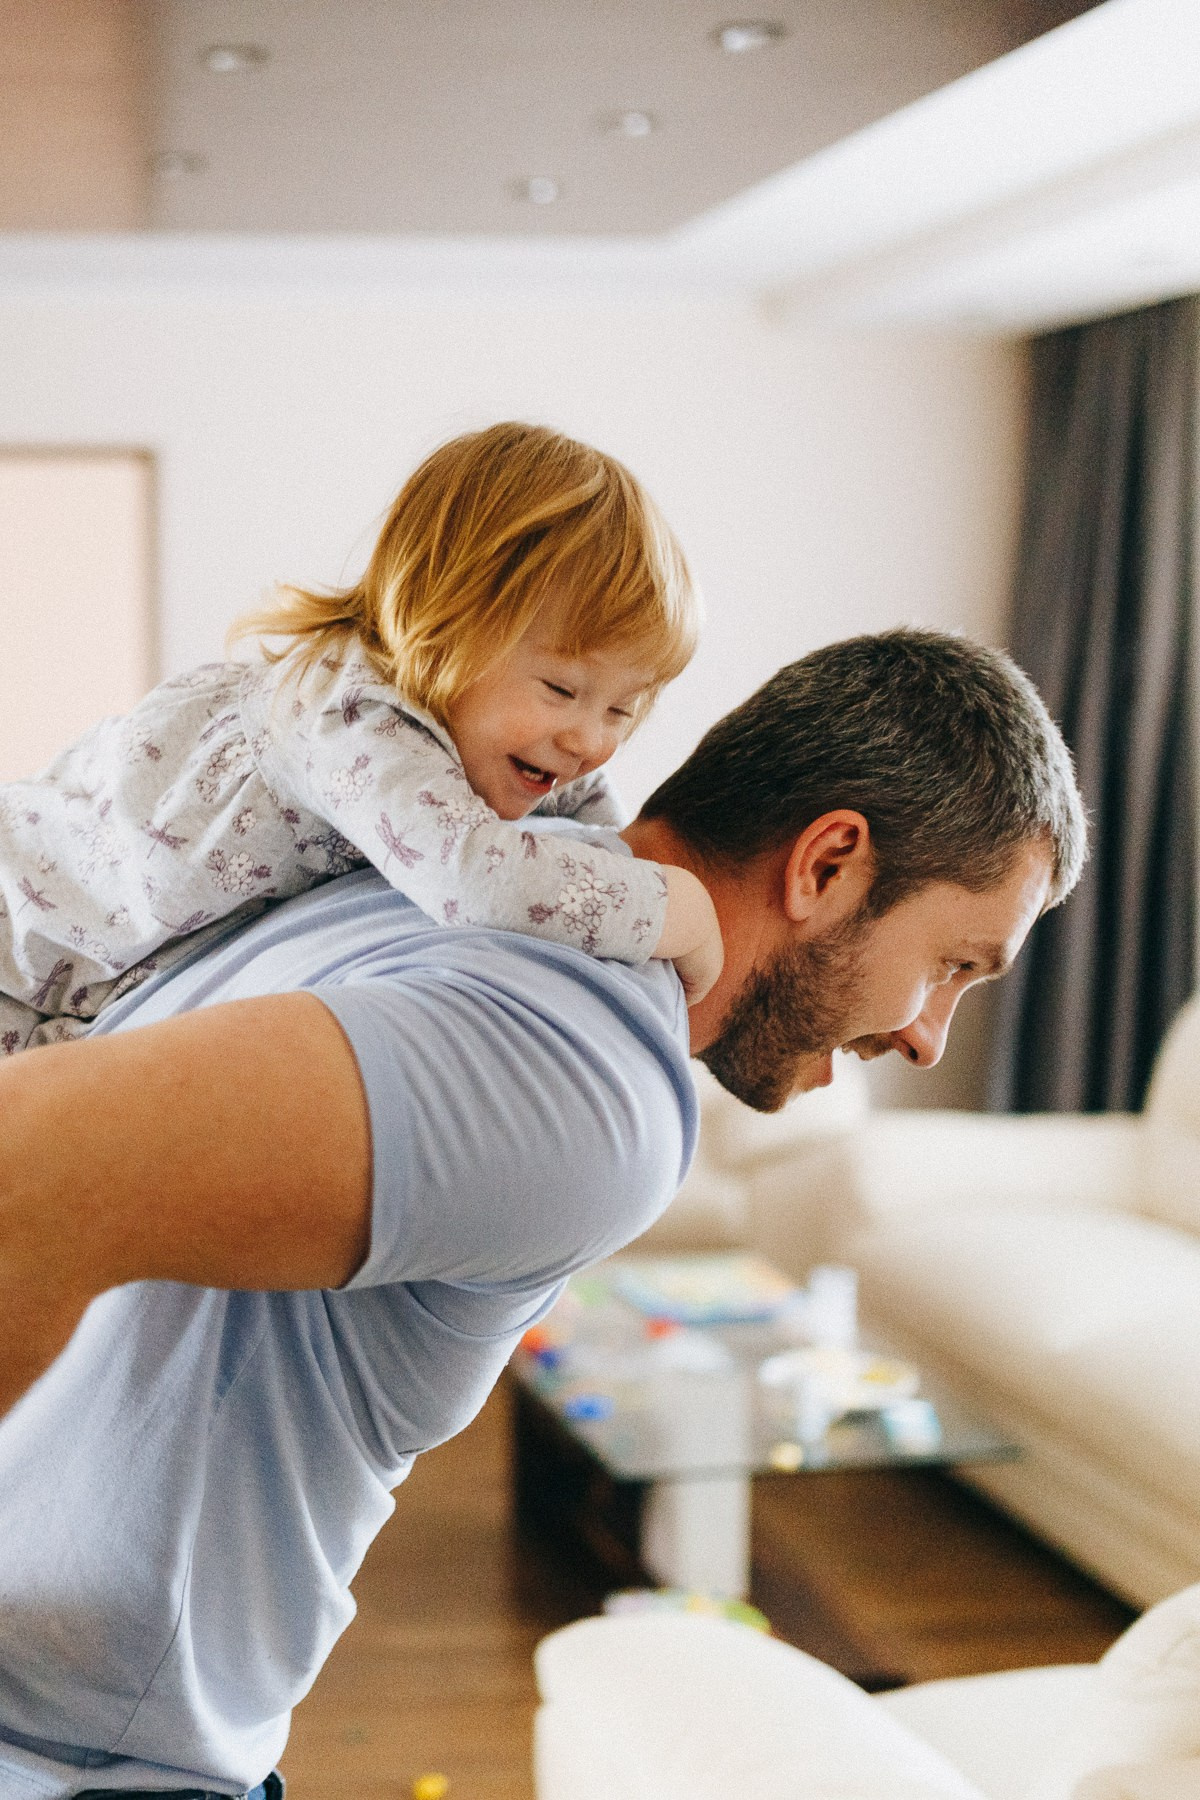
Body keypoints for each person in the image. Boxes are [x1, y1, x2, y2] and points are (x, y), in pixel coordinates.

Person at [0, 628, 1086, 1799]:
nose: (929, 1036)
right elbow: (25, 1169)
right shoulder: (589, 1081)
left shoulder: (461, 858)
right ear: (827, 864)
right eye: (954, 967)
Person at [0, 422, 721, 1059]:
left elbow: (590, 828)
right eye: (562, 691)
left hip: (76, 988)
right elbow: (478, 878)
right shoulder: (352, 717)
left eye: (623, 712)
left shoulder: (512, 743)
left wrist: (622, 863)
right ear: (443, 627)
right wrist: (675, 909)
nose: (590, 742)